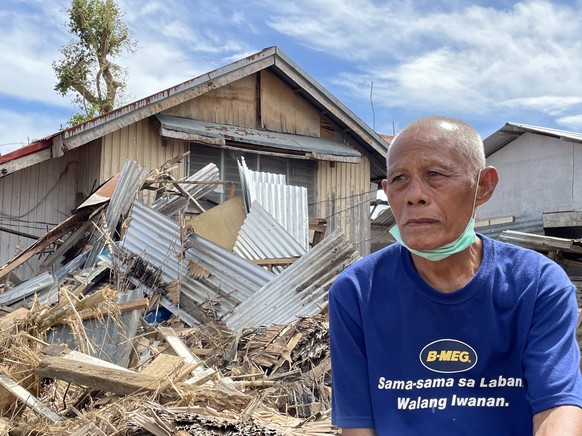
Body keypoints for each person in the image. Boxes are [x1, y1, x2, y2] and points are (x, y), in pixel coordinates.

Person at [328, 115, 582, 435]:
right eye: (399, 179)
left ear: (483, 186)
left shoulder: (537, 284)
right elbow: (358, 426)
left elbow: (557, 409)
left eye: (435, 174)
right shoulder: (356, 292)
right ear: (387, 191)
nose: (414, 195)